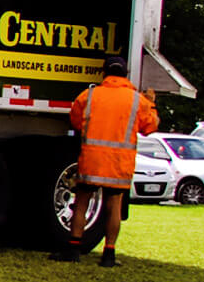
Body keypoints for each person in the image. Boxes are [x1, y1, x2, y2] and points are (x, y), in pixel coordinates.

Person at [52, 55, 158, 266]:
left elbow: (75, 120)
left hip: (92, 159)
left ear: (104, 73)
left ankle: (73, 249)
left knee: (81, 202)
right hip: (119, 163)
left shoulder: (89, 95)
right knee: (114, 206)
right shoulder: (137, 100)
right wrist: (152, 104)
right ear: (125, 74)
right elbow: (150, 127)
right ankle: (109, 254)